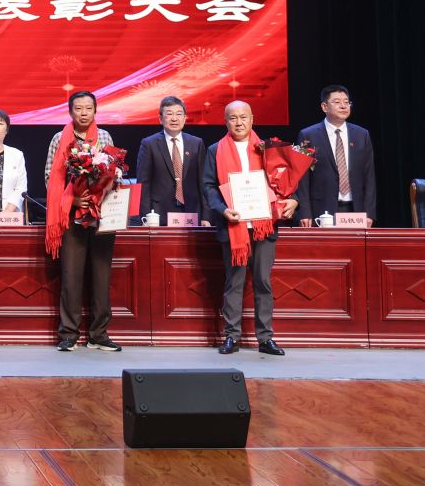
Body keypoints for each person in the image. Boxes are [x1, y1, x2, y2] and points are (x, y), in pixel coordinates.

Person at [201, 100, 300, 356]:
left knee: (263, 282)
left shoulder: (267, 148)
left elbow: (284, 183)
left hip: (263, 227)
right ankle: (231, 336)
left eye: (243, 117)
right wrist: (222, 209)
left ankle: (265, 338)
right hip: (233, 225)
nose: (239, 122)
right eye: (233, 118)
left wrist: (293, 199)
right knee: (233, 283)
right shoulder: (215, 150)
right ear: (226, 121)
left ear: (252, 119)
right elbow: (209, 187)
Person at [44, 91, 121, 352]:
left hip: (101, 217)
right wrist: (73, 200)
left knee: (101, 277)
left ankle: (99, 334)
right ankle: (68, 334)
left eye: (88, 108)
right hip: (70, 217)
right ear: (70, 111)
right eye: (78, 108)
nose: (84, 113)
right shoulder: (59, 138)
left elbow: (114, 172)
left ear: (95, 111)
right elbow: (49, 178)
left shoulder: (105, 137)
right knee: (71, 277)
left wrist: (100, 193)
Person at [296, 85, 377, 226]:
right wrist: (305, 211)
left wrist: (369, 213)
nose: (343, 106)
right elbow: (302, 177)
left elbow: (369, 176)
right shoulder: (308, 135)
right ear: (324, 107)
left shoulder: (361, 135)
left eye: (346, 102)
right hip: (321, 210)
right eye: (337, 102)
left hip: (355, 210)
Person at [135, 96, 203, 221]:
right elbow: (143, 183)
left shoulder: (196, 143)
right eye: (169, 114)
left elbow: (202, 182)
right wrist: (145, 217)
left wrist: (206, 217)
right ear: (161, 119)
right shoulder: (149, 144)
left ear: (185, 118)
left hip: (191, 212)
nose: (174, 118)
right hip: (159, 213)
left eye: (179, 114)